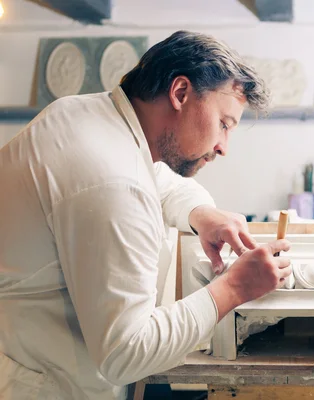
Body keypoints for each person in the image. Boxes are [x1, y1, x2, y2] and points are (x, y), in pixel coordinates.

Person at [0, 30, 292, 399]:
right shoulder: (112, 181)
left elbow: (156, 180)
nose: (223, 147)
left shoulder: (86, 115)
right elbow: (125, 351)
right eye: (224, 124)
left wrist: (201, 213)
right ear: (181, 93)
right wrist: (233, 289)